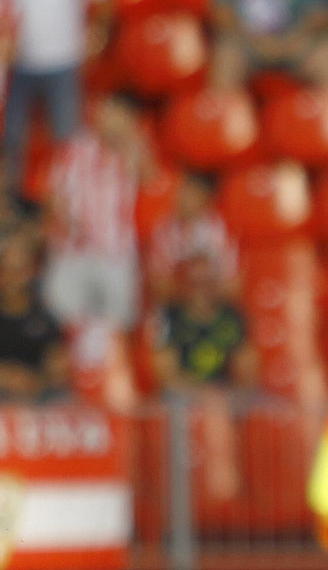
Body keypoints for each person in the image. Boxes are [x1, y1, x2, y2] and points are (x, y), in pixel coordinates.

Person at [0, 0, 111, 187]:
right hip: (17, 62)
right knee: (13, 134)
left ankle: (72, 193)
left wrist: (97, 33)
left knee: (66, 135)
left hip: (63, 60)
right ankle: (16, 200)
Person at [42, 92, 146, 359]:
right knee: (64, 321)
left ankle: (114, 384)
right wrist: (67, 224)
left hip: (116, 252)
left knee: (118, 326)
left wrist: (129, 141)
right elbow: (55, 193)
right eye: (106, 111)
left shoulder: (134, 148)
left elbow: (151, 180)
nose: (109, 119)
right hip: (72, 250)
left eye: (117, 114)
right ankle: (73, 388)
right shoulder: (76, 147)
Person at [149, 252, 255, 389]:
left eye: (208, 282)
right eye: (194, 283)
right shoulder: (169, 318)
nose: (202, 290)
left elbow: (248, 369)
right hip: (183, 394)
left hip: (227, 393)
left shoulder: (232, 316)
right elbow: (167, 376)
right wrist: (205, 394)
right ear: (183, 285)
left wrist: (224, 396)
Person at [146, 170, 237, 304]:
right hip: (177, 306)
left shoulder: (219, 231)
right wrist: (188, 293)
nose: (180, 198)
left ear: (204, 199)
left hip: (211, 306)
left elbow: (232, 285)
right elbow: (158, 282)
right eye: (181, 191)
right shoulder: (164, 229)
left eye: (189, 193)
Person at [0, 230, 67, 400]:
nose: (13, 277)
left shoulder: (48, 315)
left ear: (34, 271)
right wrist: (6, 377)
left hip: (37, 402)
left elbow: (58, 365)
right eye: (7, 269)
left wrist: (38, 381)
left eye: (21, 270)